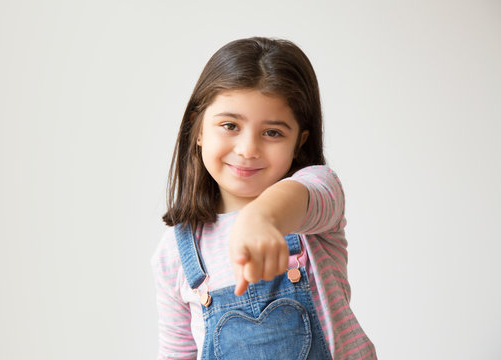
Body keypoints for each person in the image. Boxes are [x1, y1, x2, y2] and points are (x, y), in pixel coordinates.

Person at [152, 37, 377, 360]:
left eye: (272, 132)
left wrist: (261, 217)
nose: (247, 149)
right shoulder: (174, 251)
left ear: (299, 143)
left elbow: (300, 196)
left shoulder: (315, 197)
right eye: (230, 125)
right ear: (198, 129)